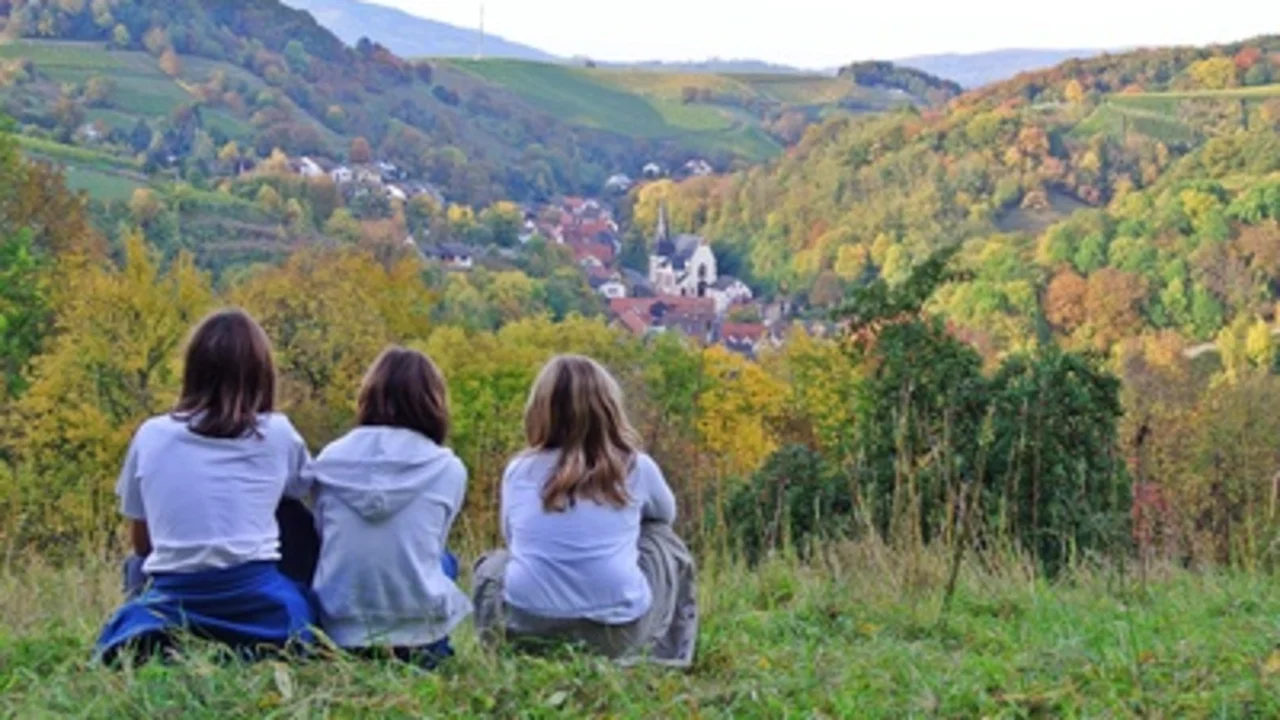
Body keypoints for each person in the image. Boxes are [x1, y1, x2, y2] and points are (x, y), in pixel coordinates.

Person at [95, 309, 317, 664]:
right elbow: (306, 493)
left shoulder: (151, 434)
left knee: (136, 568)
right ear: (261, 374)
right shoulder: (278, 433)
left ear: (193, 370)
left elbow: (142, 543)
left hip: (174, 595)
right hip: (261, 600)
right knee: (291, 510)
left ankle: (159, 632)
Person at [472, 355, 698, 667]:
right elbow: (665, 517)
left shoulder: (518, 470)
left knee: (493, 564)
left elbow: (511, 540)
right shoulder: (637, 467)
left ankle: (501, 656)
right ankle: (668, 656)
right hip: (617, 634)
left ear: (540, 409)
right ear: (609, 408)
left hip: (527, 628)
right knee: (662, 538)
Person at [309, 347, 471, 669]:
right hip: (419, 635)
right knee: (446, 560)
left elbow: (323, 536)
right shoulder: (447, 468)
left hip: (338, 631)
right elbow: (430, 546)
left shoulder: (328, 460)